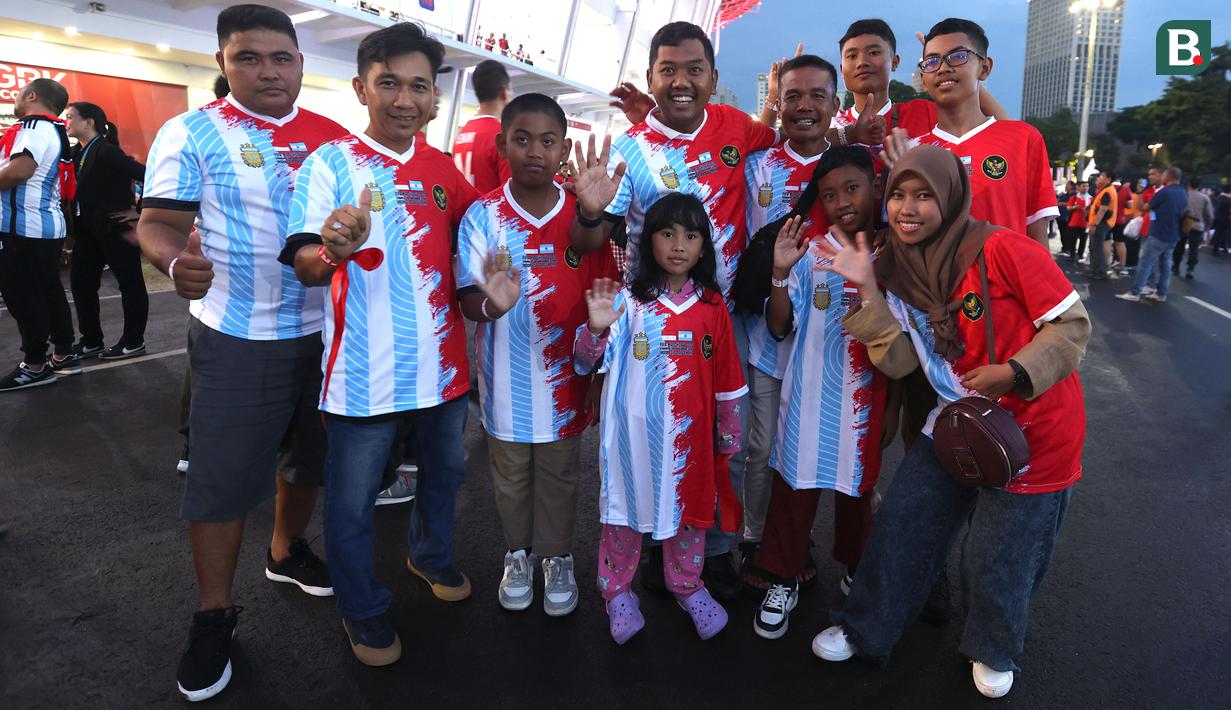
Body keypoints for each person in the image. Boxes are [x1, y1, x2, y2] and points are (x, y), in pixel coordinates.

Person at [812, 144, 1090, 699]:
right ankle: (865, 627)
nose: (907, 208)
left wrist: (1014, 372)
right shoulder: (892, 268)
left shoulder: (1003, 248)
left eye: (923, 195)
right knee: (903, 523)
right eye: (898, 195)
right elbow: (900, 362)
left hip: (1033, 426)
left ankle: (992, 647)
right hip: (957, 419)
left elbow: (1072, 326)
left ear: (951, 197)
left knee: (1000, 554)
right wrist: (867, 288)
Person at [136, 5, 348, 700]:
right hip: (237, 335)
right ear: (223, 64)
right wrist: (174, 263)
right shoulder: (191, 131)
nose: (268, 72)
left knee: (308, 459)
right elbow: (158, 222)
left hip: (326, 335)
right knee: (222, 483)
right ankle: (213, 616)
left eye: (280, 58)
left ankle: (286, 550)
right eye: (248, 58)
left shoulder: (333, 137)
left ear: (300, 64)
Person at [280, 21, 480, 667]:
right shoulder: (329, 164)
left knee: (444, 477)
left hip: (443, 370)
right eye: (388, 83)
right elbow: (304, 264)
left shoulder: (444, 169)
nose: (404, 99)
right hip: (362, 374)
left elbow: (483, 243)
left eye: (418, 86)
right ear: (361, 88)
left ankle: (431, 557)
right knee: (352, 504)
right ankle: (360, 608)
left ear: (433, 97)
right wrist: (331, 251)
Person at [575, 21, 779, 598]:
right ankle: (652, 541)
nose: (682, 81)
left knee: (723, 442)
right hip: (653, 322)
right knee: (650, 435)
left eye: (694, 69)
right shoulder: (630, 149)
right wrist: (589, 212)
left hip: (722, 318)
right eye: (669, 70)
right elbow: (591, 241)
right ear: (650, 78)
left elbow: (791, 146)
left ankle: (711, 553)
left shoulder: (739, 127)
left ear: (714, 77)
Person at [455, 94, 619, 616]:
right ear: (502, 145)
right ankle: (518, 555)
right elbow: (468, 300)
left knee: (560, 477)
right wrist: (491, 304)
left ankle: (557, 556)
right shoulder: (483, 215)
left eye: (548, 141)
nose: (534, 151)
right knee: (510, 480)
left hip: (566, 384)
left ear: (564, 150)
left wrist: (598, 376)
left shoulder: (582, 214)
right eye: (521, 139)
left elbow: (603, 288)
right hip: (504, 387)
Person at [574, 193, 746, 644]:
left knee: (688, 514)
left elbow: (728, 376)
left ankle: (687, 586)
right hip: (630, 443)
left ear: (703, 248)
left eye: (690, 235)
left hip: (691, 444)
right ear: (649, 240)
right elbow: (585, 361)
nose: (678, 245)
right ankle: (617, 592)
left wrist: (729, 434)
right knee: (624, 515)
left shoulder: (712, 307)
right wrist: (595, 329)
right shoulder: (629, 303)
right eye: (667, 233)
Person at [749, 146, 890, 640]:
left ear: (876, 187)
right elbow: (779, 325)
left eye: (852, 189)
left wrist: (869, 280)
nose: (842, 202)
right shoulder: (810, 252)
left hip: (863, 402)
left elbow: (900, 338)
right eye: (829, 195)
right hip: (808, 397)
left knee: (857, 492)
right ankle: (782, 578)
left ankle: (857, 570)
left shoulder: (891, 254)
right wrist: (780, 274)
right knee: (795, 487)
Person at [735, 54, 839, 587]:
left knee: (812, 448)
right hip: (765, 340)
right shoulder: (754, 166)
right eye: (793, 95)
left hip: (829, 345)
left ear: (835, 105)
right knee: (760, 447)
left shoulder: (852, 168)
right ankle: (755, 537)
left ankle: (797, 538)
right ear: (778, 104)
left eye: (817, 95)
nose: (804, 106)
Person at [881, 18, 1058, 246]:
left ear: (984, 68)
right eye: (932, 61)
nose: (944, 68)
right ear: (923, 80)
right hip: (936, 271)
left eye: (957, 56)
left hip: (1006, 270)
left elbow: (1037, 235)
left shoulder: (1023, 139)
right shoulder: (913, 151)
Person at [0, 77, 79, 391]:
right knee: (48, 291)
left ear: (31, 95)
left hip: (22, 228)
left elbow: (20, 171)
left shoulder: (32, 127)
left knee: (24, 297)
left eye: (19, 94)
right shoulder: (53, 129)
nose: (15, 101)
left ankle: (35, 365)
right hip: (44, 226)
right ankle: (63, 352)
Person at [63, 102, 148, 360]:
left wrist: (140, 211)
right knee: (81, 285)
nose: (66, 122)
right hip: (87, 231)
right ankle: (91, 341)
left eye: (70, 117)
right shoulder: (75, 153)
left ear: (88, 122)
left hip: (115, 228)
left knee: (130, 284)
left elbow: (150, 176)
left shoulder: (108, 152)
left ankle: (133, 341)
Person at [1116, 166, 1188, 303]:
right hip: (1173, 233)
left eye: (1163, 174)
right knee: (1165, 265)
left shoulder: (1164, 192)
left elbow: (1145, 207)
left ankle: (1135, 292)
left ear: (1169, 176)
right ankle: (1161, 293)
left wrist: (1141, 193)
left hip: (1158, 232)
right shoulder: (1183, 191)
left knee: (1145, 262)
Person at [452, 60, 511, 192]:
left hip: (463, 205)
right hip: (489, 205)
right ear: (504, 92)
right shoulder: (502, 135)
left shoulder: (462, 134)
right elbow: (511, 192)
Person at [1172, 178, 1213, 279]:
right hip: (1197, 226)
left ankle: (1176, 267)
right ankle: (1190, 269)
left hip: (1183, 224)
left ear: (1188, 184)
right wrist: (1207, 226)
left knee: (1179, 246)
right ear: (1199, 186)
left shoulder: (1183, 195)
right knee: (1193, 248)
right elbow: (1209, 215)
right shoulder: (1205, 198)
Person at [1085, 169, 1117, 281]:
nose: (1099, 178)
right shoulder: (1107, 190)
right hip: (1104, 223)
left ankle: (1099, 272)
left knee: (1096, 248)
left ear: (1108, 179)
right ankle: (1096, 270)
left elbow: (1102, 210)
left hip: (1101, 224)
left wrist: (1094, 225)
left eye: (1102, 176)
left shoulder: (1107, 191)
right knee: (1096, 248)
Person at [1067, 181, 1091, 263]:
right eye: (1083, 186)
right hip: (1074, 223)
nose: (1086, 188)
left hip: (1085, 223)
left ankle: (1080, 255)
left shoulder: (1091, 198)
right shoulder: (1074, 197)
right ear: (1078, 187)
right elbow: (1068, 208)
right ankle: (1072, 255)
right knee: (1072, 240)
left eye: (1087, 186)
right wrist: (1076, 207)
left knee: (1083, 240)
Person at [1212, 185, 1231, 255]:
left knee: (1220, 233)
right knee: (1220, 234)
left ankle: (1221, 247)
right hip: (1223, 219)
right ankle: (1216, 250)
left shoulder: (1219, 197)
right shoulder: (1228, 200)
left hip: (1217, 218)